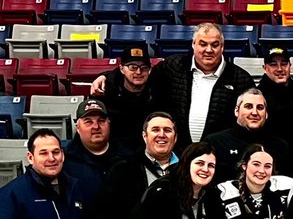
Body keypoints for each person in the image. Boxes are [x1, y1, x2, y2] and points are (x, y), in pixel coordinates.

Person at [90, 23, 255, 148]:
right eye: (203, 44)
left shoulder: (240, 78)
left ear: (222, 47)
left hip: (218, 153)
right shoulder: (173, 66)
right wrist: (106, 76)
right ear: (193, 45)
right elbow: (139, 74)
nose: (208, 50)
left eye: (214, 44)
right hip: (175, 151)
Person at [206, 88, 290, 181]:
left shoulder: (279, 146)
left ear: (266, 114)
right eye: (248, 106)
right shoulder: (215, 143)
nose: (254, 112)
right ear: (236, 111)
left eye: (260, 108)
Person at [62, 97, 124, 209]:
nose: (96, 127)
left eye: (101, 121)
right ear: (78, 127)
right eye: (88, 122)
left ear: (109, 124)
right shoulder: (64, 160)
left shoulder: (127, 158)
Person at [96, 44, 156, 150]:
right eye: (132, 67)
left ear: (150, 70)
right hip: (114, 152)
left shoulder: (157, 90)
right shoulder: (106, 91)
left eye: (144, 68)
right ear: (122, 69)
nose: (138, 72)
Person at [256, 46, 293, 161]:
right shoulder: (258, 95)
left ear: (290, 67)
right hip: (269, 159)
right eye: (273, 64)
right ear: (264, 68)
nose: (279, 69)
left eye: (284, 64)